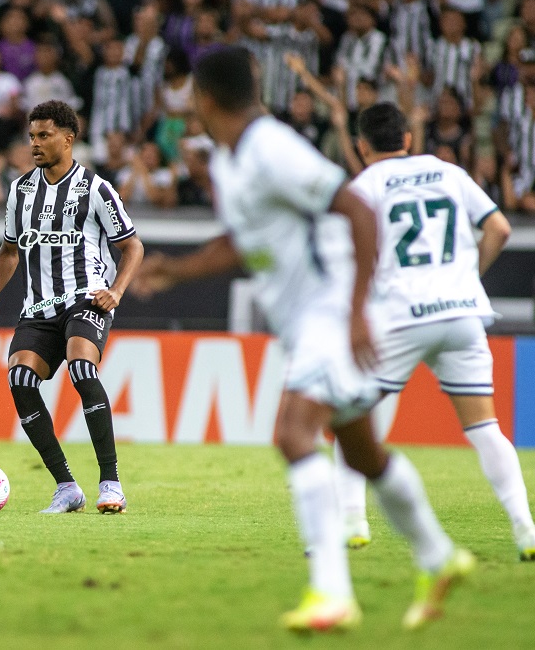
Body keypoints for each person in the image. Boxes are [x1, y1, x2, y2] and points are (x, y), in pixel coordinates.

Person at [132, 47, 472, 632]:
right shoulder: (230, 160)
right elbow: (241, 242)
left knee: (293, 435)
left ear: (203, 99)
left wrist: (358, 309)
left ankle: (332, 593)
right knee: (363, 454)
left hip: (332, 310)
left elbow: (358, 210)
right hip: (306, 320)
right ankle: (439, 556)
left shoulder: (272, 147)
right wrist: (175, 271)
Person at [330, 102, 535, 561]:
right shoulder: (449, 172)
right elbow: (500, 228)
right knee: (485, 427)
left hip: (401, 316)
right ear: (407, 139)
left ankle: (354, 525)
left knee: (347, 416)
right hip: (462, 314)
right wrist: (468, 279)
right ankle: (527, 530)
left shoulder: (363, 187)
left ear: (362, 147)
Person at [0, 100, 144, 514]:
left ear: (68, 138)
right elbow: (9, 251)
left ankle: (111, 483)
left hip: (87, 299)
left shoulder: (96, 189)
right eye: (31, 136)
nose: (35, 143)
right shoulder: (20, 191)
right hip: (39, 307)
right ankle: (66, 487)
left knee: (82, 367)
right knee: (20, 379)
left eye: (44, 135)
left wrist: (116, 291)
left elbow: (132, 246)